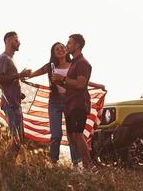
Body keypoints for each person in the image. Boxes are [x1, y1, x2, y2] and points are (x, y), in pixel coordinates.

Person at [29, 42, 104, 166]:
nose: (60, 50)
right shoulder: (50, 66)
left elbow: (82, 81)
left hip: (70, 101)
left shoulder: (73, 65)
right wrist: (23, 76)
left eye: (62, 48)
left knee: (73, 133)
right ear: (53, 53)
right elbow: (35, 73)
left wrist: (98, 86)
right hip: (55, 102)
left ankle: (77, 163)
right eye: (56, 49)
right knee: (56, 134)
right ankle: (54, 162)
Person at [52, 34, 97, 170]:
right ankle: (85, 166)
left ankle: (89, 167)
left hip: (79, 104)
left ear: (77, 45)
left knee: (77, 134)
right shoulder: (74, 63)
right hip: (69, 104)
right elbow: (72, 85)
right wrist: (60, 81)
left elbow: (80, 84)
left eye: (69, 43)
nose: (67, 46)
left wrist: (63, 79)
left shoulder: (83, 63)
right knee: (71, 136)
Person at [0, 31, 31, 155]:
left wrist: (18, 93)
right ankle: (4, 165)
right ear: (8, 40)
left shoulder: (11, 59)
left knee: (19, 139)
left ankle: (8, 166)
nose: (19, 42)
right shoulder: (3, 58)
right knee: (15, 139)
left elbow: (9, 80)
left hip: (15, 103)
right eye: (16, 40)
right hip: (9, 104)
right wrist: (20, 75)